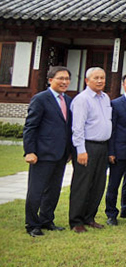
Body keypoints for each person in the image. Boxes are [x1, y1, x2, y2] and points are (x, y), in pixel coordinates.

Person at [23, 66, 72, 237]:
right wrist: (29, 151)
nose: (64, 82)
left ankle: (46, 220)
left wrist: (70, 151)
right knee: (36, 190)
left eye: (67, 79)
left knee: (54, 190)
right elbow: (30, 127)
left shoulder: (68, 100)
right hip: (42, 154)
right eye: (60, 78)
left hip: (61, 155)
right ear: (50, 80)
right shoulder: (40, 99)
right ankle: (32, 224)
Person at [68, 67, 112, 233]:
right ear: (87, 80)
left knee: (98, 184)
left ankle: (89, 217)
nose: (100, 81)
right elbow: (77, 127)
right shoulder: (82, 99)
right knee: (82, 184)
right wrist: (80, 150)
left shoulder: (105, 97)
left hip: (103, 146)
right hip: (87, 146)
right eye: (96, 78)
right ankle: (76, 220)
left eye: (102, 78)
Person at [105, 73, 126, 226]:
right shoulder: (115, 104)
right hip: (119, 150)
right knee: (114, 183)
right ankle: (111, 213)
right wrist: (111, 151)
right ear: (123, 85)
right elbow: (111, 129)